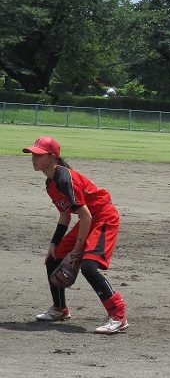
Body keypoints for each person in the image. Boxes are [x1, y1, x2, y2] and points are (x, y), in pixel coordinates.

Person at [22, 137, 128, 334]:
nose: (33, 158)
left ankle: (118, 316)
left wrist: (78, 251)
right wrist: (54, 243)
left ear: (52, 157)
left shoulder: (64, 179)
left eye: (38, 155)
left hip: (104, 217)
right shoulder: (51, 183)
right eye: (33, 154)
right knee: (53, 259)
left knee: (88, 266)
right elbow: (65, 215)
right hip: (88, 219)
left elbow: (86, 216)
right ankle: (60, 309)